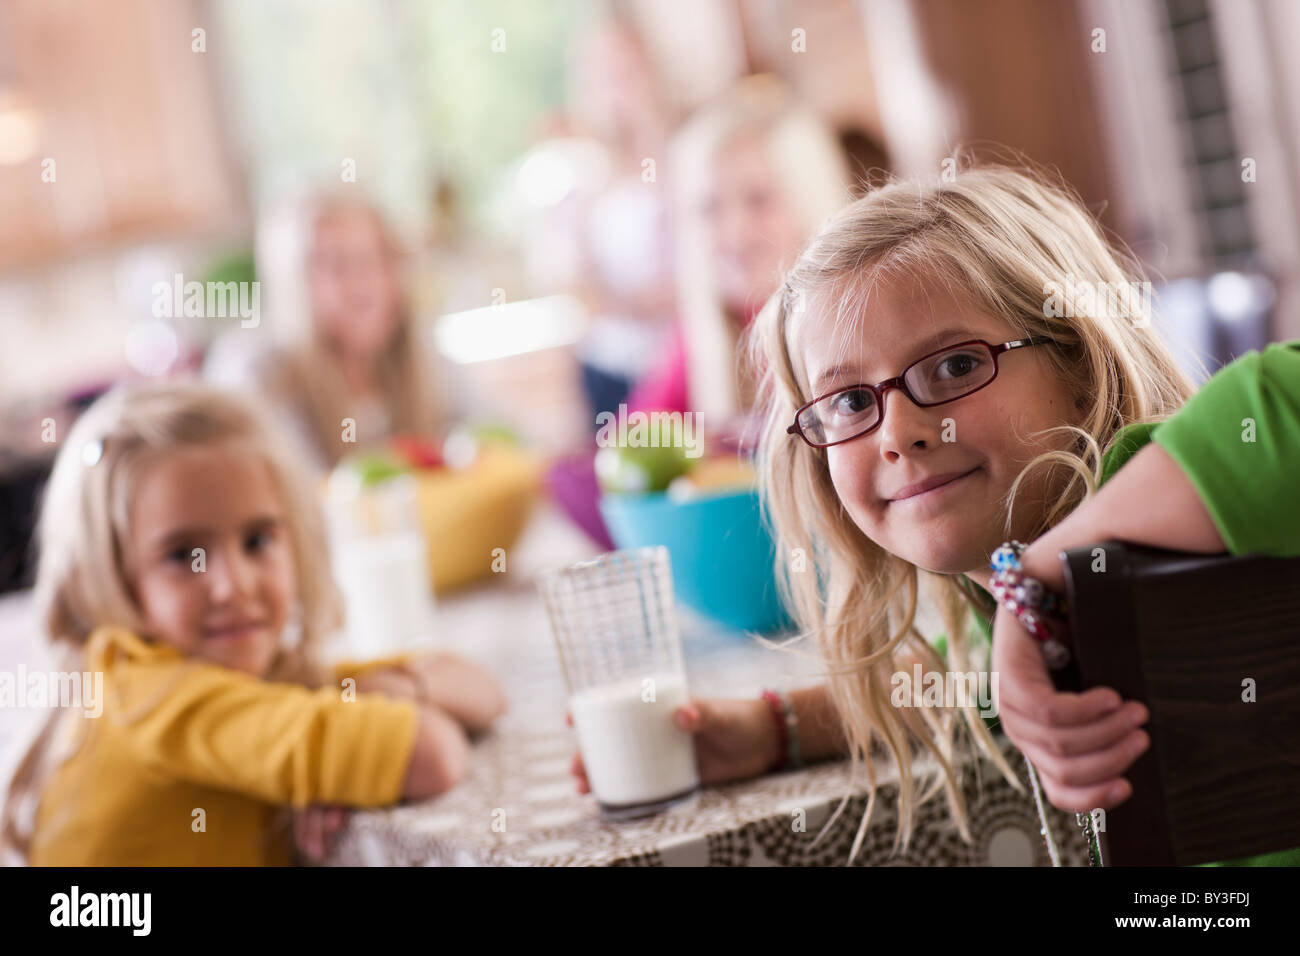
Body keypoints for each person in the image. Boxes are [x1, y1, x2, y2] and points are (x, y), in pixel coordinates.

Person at [572, 161, 1300, 866]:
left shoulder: (1158, 502)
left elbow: (1281, 391)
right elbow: (967, 682)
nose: (897, 434)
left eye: (954, 367)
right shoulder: (1027, 622)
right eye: (851, 402)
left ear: (1081, 366)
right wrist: (773, 728)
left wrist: (1032, 578)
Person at [2, 383, 505, 865]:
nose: (233, 585)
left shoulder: (246, 678)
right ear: (112, 575)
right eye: (185, 555)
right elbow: (432, 756)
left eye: (257, 541)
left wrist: (385, 690)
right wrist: (365, 727)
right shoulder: (156, 697)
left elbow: (482, 690)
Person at [626, 76, 852, 434]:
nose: (734, 233)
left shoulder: (854, 325)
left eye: (759, 199)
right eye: (709, 207)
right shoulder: (701, 334)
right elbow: (633, 448)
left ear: (811, 202)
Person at [206, 190, 452, 473]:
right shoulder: (256, 370)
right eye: (335, 264)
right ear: (292, 282)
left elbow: (495, 442)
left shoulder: (421, 353)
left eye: (374, 258)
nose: (363, 282)